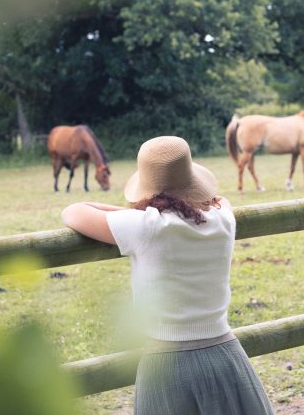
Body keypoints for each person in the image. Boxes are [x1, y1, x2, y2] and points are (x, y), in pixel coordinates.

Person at [61, 136, 274, 415]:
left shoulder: (143, 226)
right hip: (225, 354)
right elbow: (218, 200)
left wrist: (139, 211)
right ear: (192, 180)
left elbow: (74, 212)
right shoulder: (223, 219)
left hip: (166, 364)